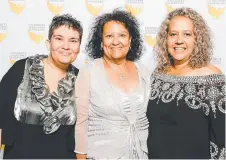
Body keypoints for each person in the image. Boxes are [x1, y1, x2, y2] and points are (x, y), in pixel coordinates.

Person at [0, 14, 83, 159]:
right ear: (48, 43)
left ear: (79, 47)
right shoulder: (21, 69)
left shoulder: (82, 80)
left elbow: (84, 134)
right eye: (59, 38)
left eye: (73, 40)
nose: (66, 46)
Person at [147, 7, 225, 159]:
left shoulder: (212, 78)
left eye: (187, 34)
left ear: (197, 39)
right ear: (166, 39)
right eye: (173, 34)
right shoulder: (158, 74)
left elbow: (222, 138)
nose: (179, 40)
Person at [74, 9, 150, 159]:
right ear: (101, 42)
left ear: (130, 39)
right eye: (109, 36)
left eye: (122, 35)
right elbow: (81, 123)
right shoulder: (89, 71)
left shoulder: (143, 71)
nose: (116, 41)